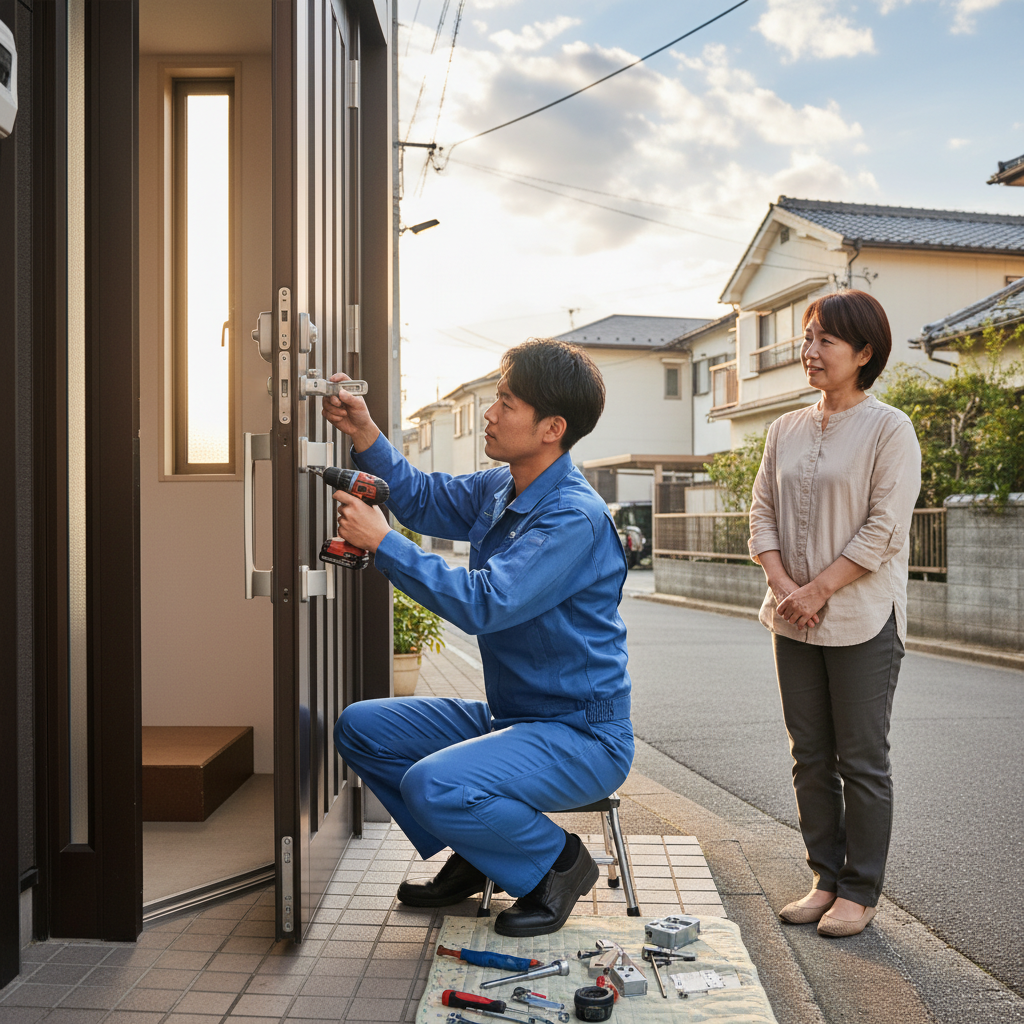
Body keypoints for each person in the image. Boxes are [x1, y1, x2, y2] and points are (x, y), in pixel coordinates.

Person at [321, 339, 634, 937]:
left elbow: (485, 603)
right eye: (496, 399)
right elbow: (418, 495)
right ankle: (480, 850)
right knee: (361, 727)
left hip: (582, 735)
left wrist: (383, 543)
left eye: (505, 403)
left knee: (432, 782)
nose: (490, 413)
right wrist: (365, 433)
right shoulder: (502, 486)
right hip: (513, 718)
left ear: (552, 428)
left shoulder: (572, 516)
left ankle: (557, 868)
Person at [748, 290, 921, 938]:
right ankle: (825, 878)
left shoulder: (889, 429)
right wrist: (787, 584)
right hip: (790, 616)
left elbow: (884, 529)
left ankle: (861, 890)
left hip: (861, 620)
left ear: (865, 352)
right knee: (810, 755)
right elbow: (761, 511)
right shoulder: (784, 429)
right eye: (808, 337)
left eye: (825, 340)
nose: (810, 351)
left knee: (861, 759)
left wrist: (819, 589)